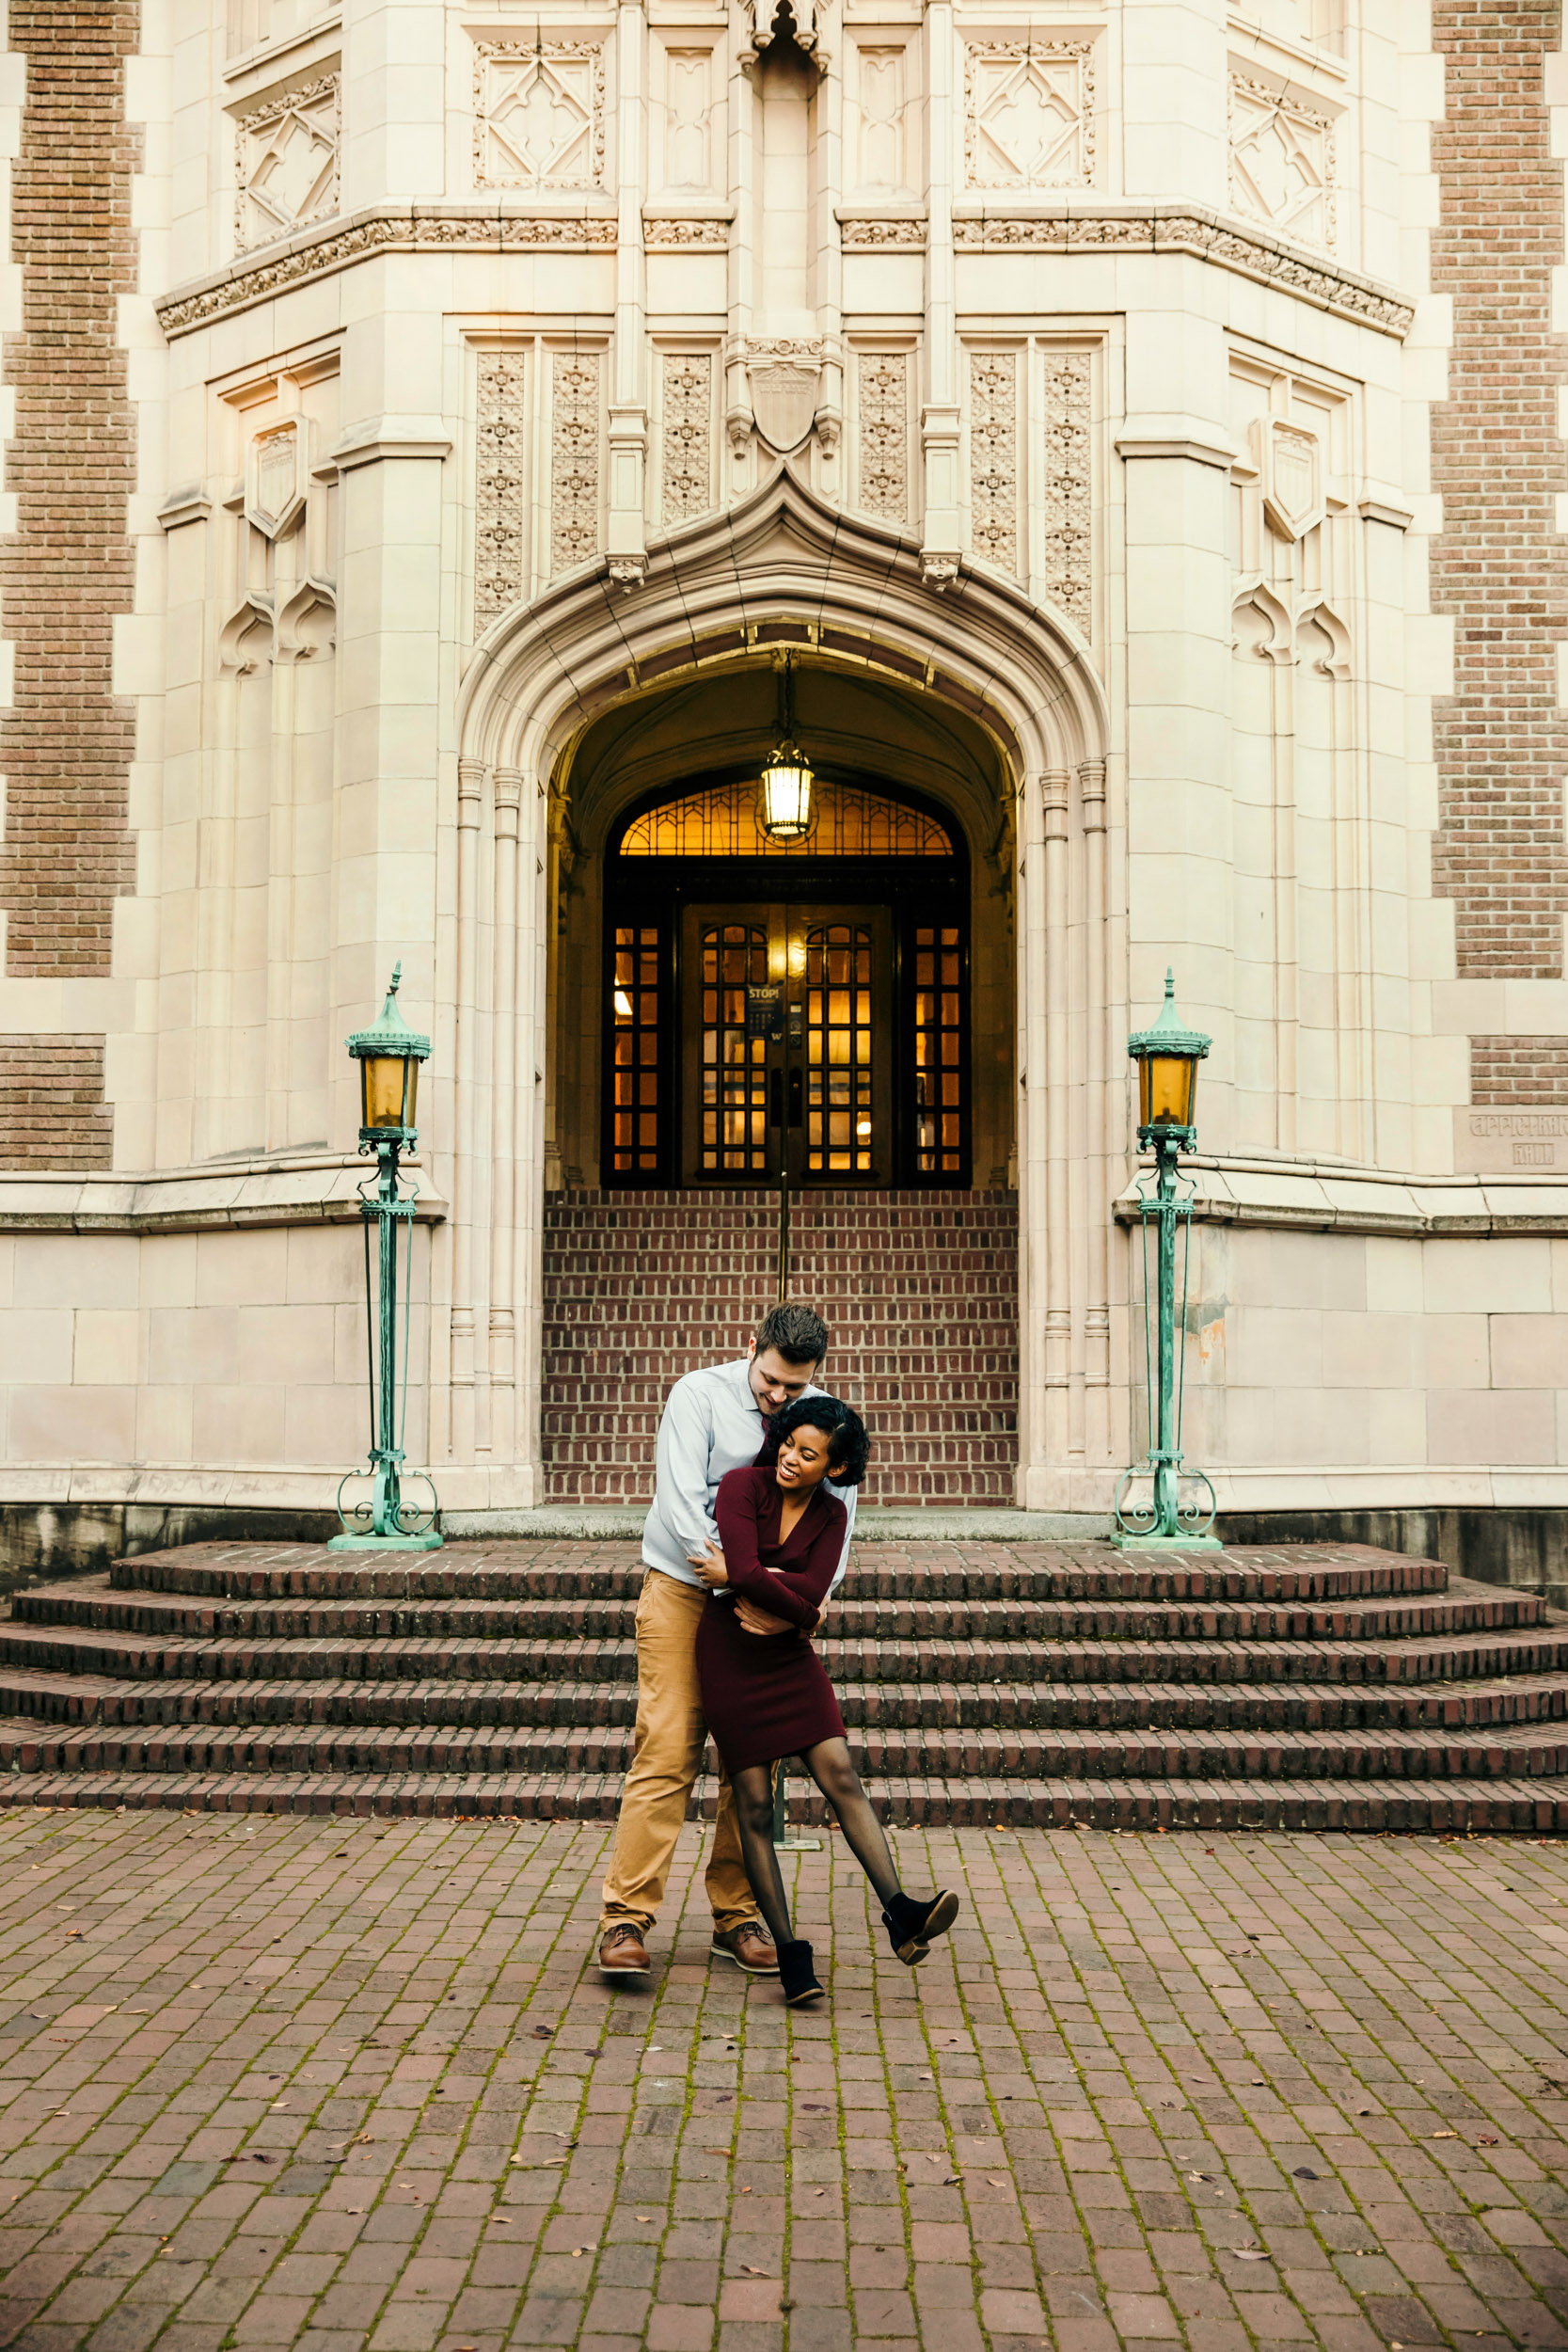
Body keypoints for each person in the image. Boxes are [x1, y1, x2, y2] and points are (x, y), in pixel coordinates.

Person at [597, 1302, 858, 1980]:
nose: (777, 1398)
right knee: (666, 1743)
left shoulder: (823, 1420)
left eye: (793, 1389)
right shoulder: (698, 1395)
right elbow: (683, 1501)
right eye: (770, 1381)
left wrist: (805, 1609)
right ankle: (625, 1918)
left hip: (768, 1608)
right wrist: (740, 1584)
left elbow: (838, 1525)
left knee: (756, 1759)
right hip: (687, 1589)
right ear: (751, 1348)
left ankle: (738, 1916)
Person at [694, 1395, 960, 2007]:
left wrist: (765, 1586)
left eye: (807, 1454)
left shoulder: (832, 1517)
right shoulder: (741, 1486)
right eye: (788, 1444)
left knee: (841, 1773)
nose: (789, 1458)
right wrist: (793, 1600)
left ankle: (901, 1913)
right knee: (756, 1807)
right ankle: (790, 1955)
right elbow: (759, 1573)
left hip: (787, 1658)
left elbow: (784, 1583)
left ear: (833, 1469)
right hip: (729, 1655)